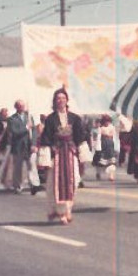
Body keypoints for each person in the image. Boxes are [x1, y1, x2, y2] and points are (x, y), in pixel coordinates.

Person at [38, 88, 89, 224]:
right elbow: (46, 138)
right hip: (57, 154)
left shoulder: (74, 118)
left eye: (63, 98)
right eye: (58, 98)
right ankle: (60, 212)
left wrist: (82, 153)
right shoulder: (50, 119)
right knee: (55, 183)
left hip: (70, 153)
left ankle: (68, 210)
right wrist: (46, 156)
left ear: (67, 100)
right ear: (55, 101)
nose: (61, 100)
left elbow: (80, 136)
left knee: (73, 181)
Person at [0, 99, 35, 193]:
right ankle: (18, 185)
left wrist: (34, 144)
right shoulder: (12, 119)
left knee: (31, 166)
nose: (22, 107)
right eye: (20, 105)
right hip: (18, 146)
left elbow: (33, 131)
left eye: (23, 105)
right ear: (16, 107)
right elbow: (15, 132)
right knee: (18, 168)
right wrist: (26, 128)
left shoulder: (29, 117)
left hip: (28, 145)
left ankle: (33, 184)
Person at [93, 114, 118, 181]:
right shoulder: (100, 128)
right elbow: (98, 138)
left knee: (112, 161)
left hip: (110, 146)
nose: (107, 123)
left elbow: (115, 138)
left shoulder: (112, 127)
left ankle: (111, 175)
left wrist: (116, 147)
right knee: (99, 161)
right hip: (102, 146)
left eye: (108, 121)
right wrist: (97, 147)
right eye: (105, 121)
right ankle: (98, 173)